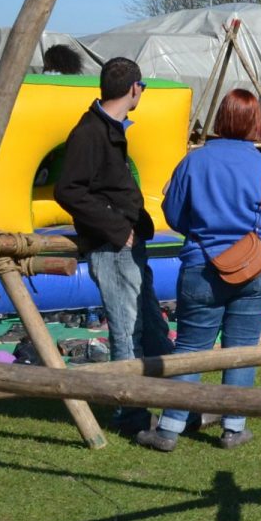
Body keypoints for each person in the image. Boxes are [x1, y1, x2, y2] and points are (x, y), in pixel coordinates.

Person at [142, 89, 261, 452]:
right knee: (242, 346)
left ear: (220, 119)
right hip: (259, 268)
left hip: (202, 265)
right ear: (256, 122)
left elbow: (174, 216)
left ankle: (168, 429)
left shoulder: (193, 162)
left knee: (191, 348)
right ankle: (234, 427)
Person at [56, 57, 173, 368]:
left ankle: (176, 405)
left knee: (153, 328)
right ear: (135, 88)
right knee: (127, 332)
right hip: (112, 246)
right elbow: (68, 190)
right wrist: (118, 229)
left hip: (125, 243)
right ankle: (129, 413)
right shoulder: (90, 132)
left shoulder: (108, 129)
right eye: (143, 87)